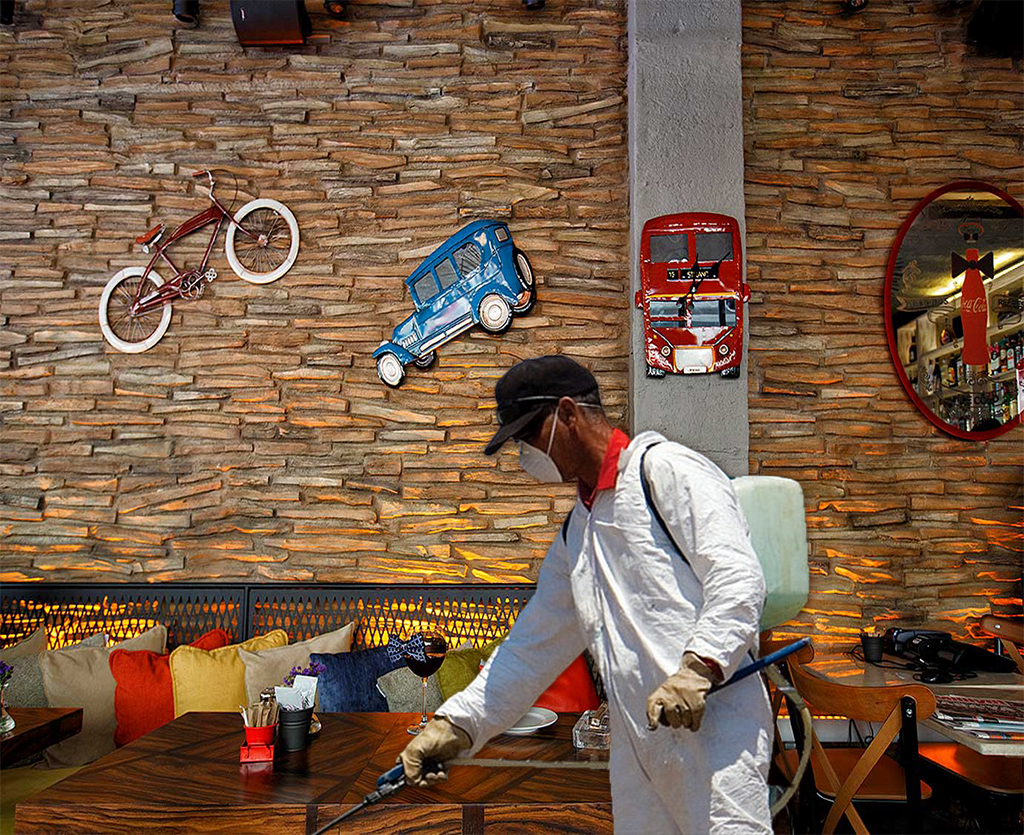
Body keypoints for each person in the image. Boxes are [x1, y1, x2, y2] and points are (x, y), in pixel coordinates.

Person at [399, 355, 772, 835]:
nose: (526, 453)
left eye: (530, 435)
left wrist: (699, 668)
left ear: (568, 414)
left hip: (716, 737)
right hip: (639, 748)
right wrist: (456, 725)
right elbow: (530, 650)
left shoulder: (668, 473)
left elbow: (737, 578)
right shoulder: (579, 531)